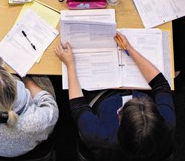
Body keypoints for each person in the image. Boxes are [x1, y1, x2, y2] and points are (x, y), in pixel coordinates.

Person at [55, 32, 175, 161]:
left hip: (102, 97)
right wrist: (130, 49)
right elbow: (160, 84)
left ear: (119, 118)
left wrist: (70, 65)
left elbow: (78, 106)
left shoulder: (98, 135)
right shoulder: (166, 121)